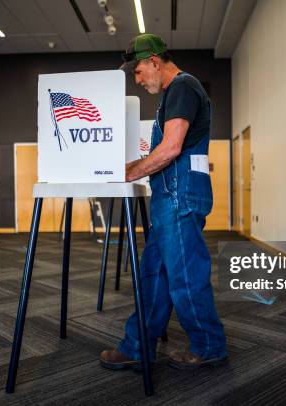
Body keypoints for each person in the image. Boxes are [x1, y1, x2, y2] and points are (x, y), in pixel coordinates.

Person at [99, 34, 228, 370]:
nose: (137, 80)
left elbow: (171, 148)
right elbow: (167, 151)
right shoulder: (174, 93)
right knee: (154, 275)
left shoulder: (183, 87)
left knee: (185, 276)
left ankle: (210, 345)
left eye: (138, 72)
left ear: (155, 60)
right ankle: (138, 345)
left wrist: (130, 173)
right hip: (171, 197)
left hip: (179, 196)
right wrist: (133, 166)